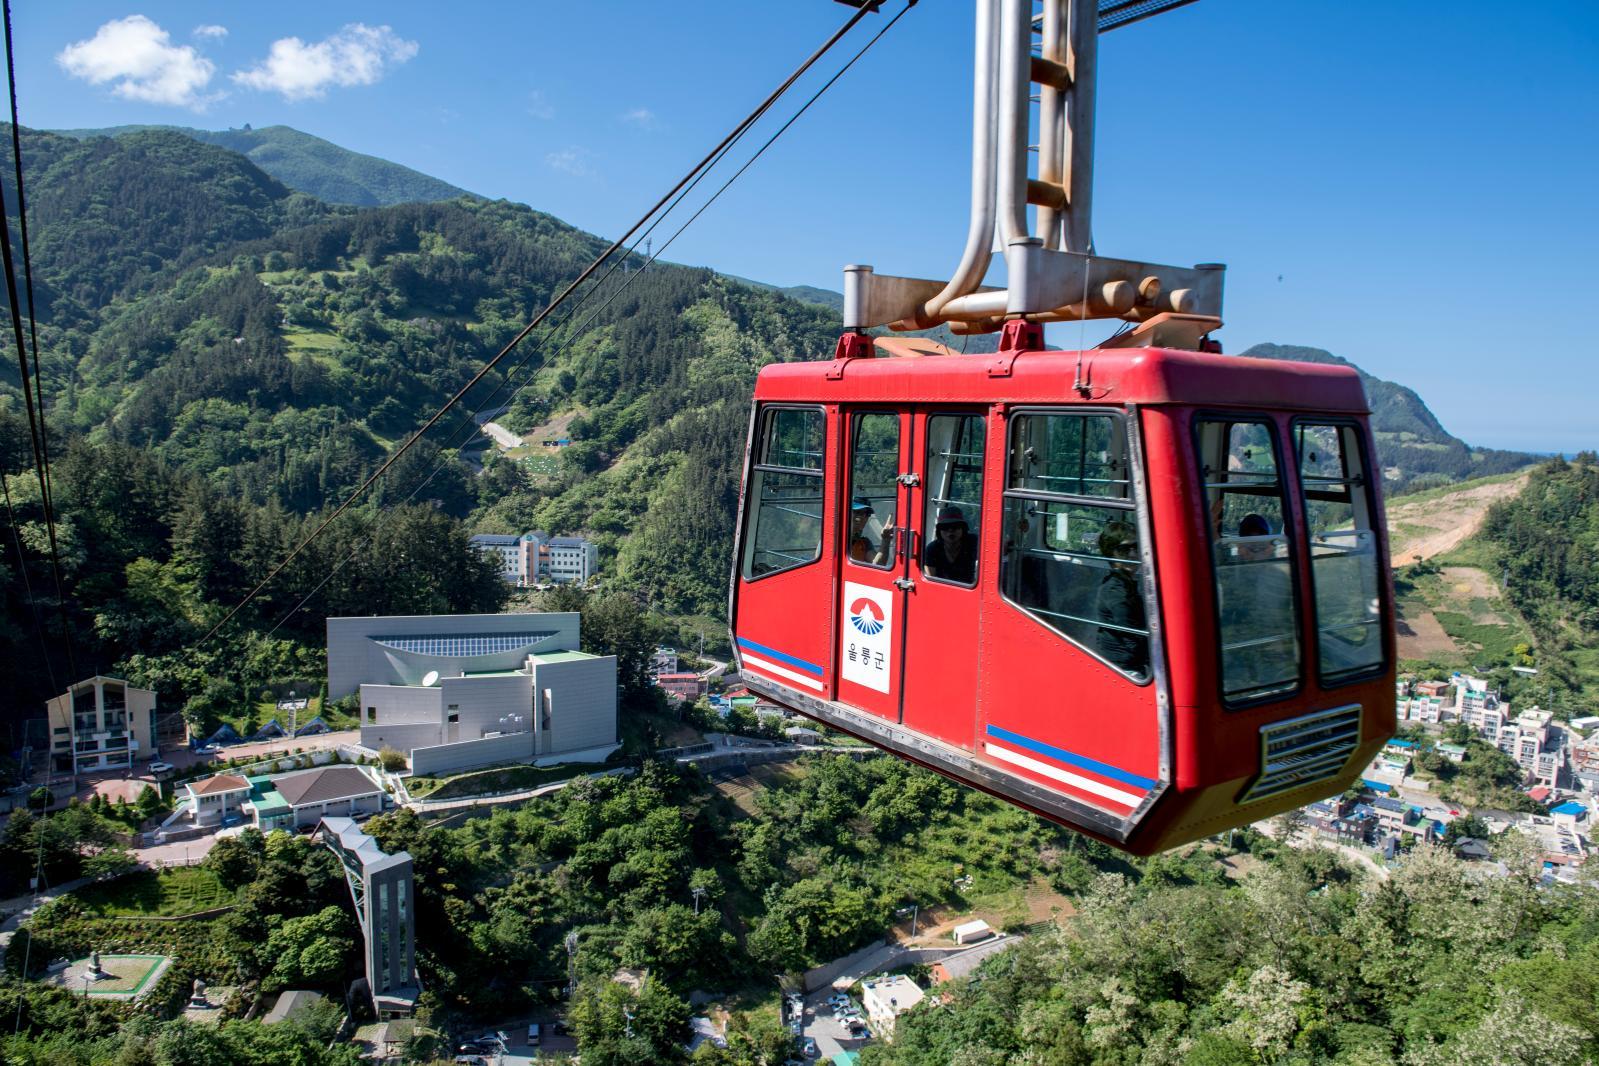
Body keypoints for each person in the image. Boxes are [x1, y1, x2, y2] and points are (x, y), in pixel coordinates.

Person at [1094, 520, 1148, 677]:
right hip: (1124, 669)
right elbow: (1131, 638)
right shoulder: (1116, 591)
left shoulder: (1125, 583)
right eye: (1124, 549)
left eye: (1136, 547)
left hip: (1128, 662)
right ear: (1111, 553)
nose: (1132, 554)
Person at [923, 505, 977, 585]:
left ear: (963, 528)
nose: (950, 531)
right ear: (939, 531)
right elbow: (931, 581)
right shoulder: (932, 549)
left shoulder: (974, 543)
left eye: (955, 526)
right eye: (945, 527)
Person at [849, 496, 893, 565]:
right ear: (846, 513)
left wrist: (886, 539)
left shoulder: (864, 543)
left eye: (867, 514)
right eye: (858, 512)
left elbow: (878, 564)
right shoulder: (832, 540)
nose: (863, 517)